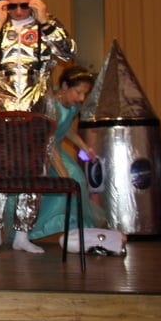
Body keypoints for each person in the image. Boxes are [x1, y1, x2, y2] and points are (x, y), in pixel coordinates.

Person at [0, 0, 76, 254]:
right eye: (13, 5)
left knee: (35, 172)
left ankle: (22, 234)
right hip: (0, 112)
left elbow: (68, 54)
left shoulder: (47, 25)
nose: (18, 11)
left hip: (36, 113)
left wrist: (46, 22)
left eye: (24, 5)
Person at [22, 66, 102, 242]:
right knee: (64, 182)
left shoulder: (72, 105)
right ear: (65, 86)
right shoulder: (51, 106)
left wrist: (84, 147)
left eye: (85, 94)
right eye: (78, 92)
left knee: (77, 180)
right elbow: (48, 142)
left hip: (55, 148)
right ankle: (34, 228)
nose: (81, 98)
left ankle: (76, 227)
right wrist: (64, 175)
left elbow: (65, 129)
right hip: (41, 151)